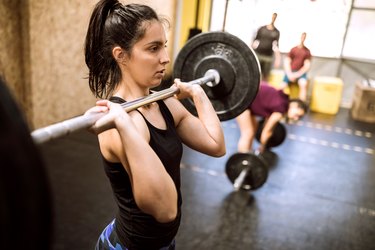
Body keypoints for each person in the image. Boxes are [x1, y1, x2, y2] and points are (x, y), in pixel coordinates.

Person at [83, 1, 226, 249]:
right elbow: (165, 209)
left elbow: (216, 145)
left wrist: (198, 94)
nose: (165, 58)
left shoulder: (164, 103)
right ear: (121, 55)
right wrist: (124, 125)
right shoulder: (121, 123)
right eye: (153, 48)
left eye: (165, 47)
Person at [236, 81, 307, 154]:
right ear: (294, 105)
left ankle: (248, 153)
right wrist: (262, 147)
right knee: (248, 132)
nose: (296, 119)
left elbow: (267, 125)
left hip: (247, 98)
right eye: (298, 115)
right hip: (243, 100)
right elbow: (267, 130)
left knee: (254, 128)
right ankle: (242, 159)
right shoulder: (280, 109)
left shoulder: (284, 100)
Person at [281, 32, 312, 102]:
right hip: (290, 72)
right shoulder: (293, 49)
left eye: (305, 37)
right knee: (282, 86)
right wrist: (289, 74)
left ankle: (301, 105)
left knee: (303, 84)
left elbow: (307, 66)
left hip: (300, 74)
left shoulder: (307, 52)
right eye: (302, 37)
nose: (303, 39)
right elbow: (287, 62)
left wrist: (297, 75)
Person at [252, 12, 281, 81]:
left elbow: (276, 46)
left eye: (275, 17)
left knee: (265, 76)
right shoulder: (262, 29)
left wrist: (278, 59)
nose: (273, 18)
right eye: (273, 16)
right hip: (258, 54)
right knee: (255, 73)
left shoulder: (276, 32)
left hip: (268, 57)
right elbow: (255, 41)